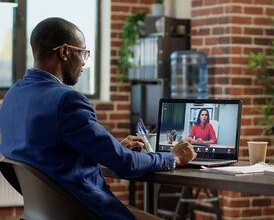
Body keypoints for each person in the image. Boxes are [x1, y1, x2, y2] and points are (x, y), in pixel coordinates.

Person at [0, 17, 197, 220]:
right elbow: (125, 165)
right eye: (83, 53)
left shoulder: (13, 95)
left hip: (44, 213)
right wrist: (173, 157)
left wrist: (113, 149)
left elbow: (50, 156)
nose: (84, 63)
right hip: (87, 212)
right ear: (64, 52)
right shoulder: (67, 100)